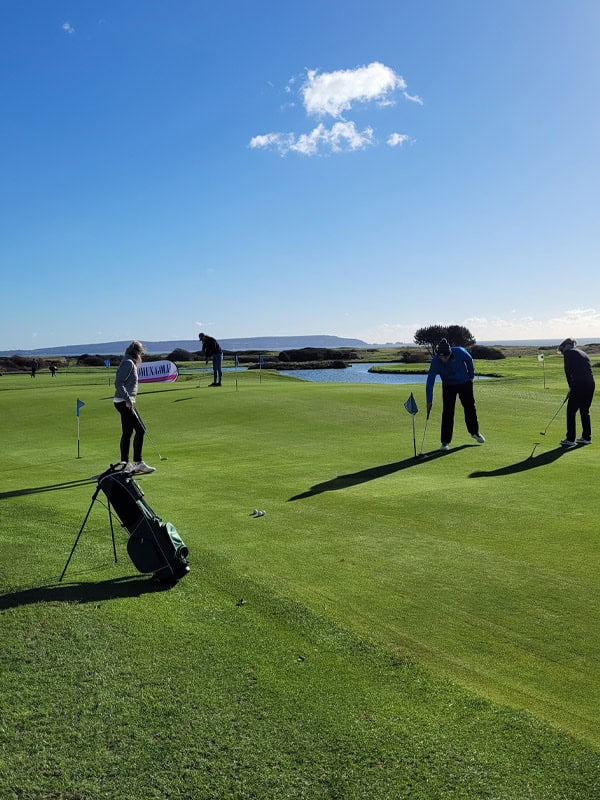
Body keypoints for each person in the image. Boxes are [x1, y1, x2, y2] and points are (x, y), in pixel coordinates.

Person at [426, 338, 485, 451]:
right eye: (441, 356)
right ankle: (445, 442)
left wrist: (471, 376)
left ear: (450, 353)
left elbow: (469, 360)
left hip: (464, 383)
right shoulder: (435, 362)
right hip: (448, 385)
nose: (443, 359)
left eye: (446, 356)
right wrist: (429, 400)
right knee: (448, 412)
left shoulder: (459, 352)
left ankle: (474, 432)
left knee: (470, 407)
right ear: (438, 354)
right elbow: (430, 382)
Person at [113, 341, 155, 474]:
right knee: (141, 429)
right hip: (124, 401)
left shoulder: (129, 361)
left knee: (128, 432)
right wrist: (127, 399)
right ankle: (138, 463)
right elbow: (118, 383)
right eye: (141, 352)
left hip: (124, 401)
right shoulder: (128, 363)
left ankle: (125, 463)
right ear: (137, 352)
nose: (141, 355)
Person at [557, 338, 595, 447]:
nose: (563, 353)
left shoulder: (568, 353)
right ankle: (586, 438)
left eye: (562, 350)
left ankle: (570, 439)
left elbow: (568, 371)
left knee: (571, 411)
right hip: (590, 384)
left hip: (579, 384)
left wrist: (571, 387)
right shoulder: (583, 353)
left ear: (565, 346)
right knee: (584, 411)